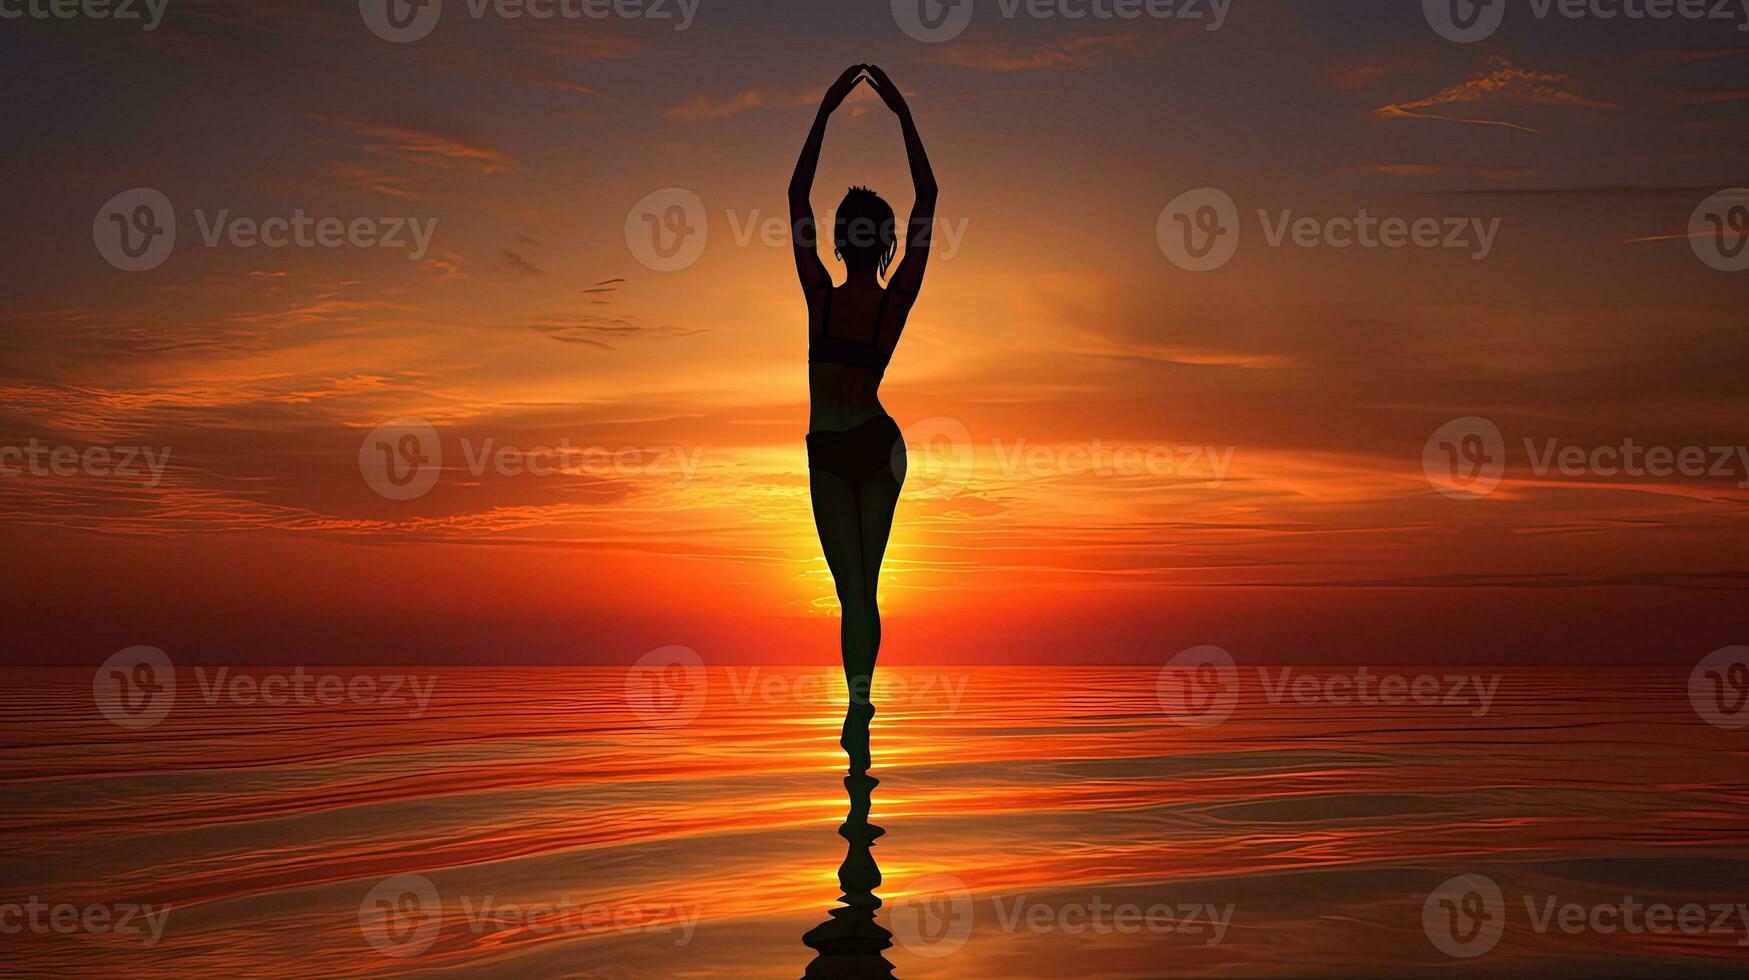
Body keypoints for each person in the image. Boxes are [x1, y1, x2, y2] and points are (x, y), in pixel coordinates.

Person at [788, 64, 937, 775]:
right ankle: (859, 717)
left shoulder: (892, 300)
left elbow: (928, 202)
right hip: (827, 451)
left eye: (860, 227)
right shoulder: (817, 294)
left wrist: (902, 114)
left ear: (871, 243)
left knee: (862, 591)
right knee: (849, 591)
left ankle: (859, 712)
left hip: (878, 448)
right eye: (844, 226)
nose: (848, 235)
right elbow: (794, 199)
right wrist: (822, 109)